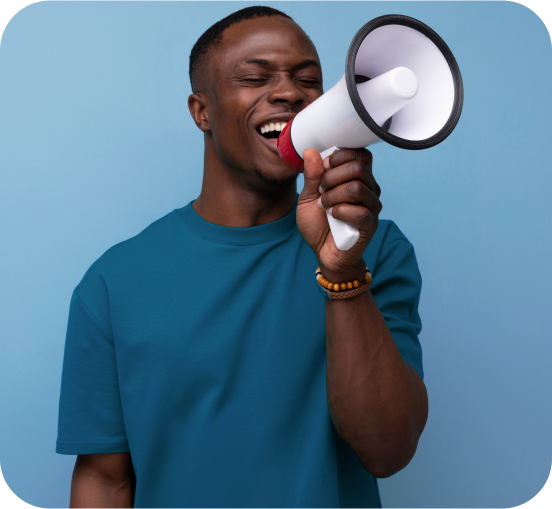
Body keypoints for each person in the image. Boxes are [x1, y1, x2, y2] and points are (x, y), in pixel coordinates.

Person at [56, 6, 428, 509]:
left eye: (309, 80)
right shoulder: (113, 283)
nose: (289, 93)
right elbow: (105, 481)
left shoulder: (375, 251)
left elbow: (388, 450)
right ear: (201, 111)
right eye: (254, 77)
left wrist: (345, 273)